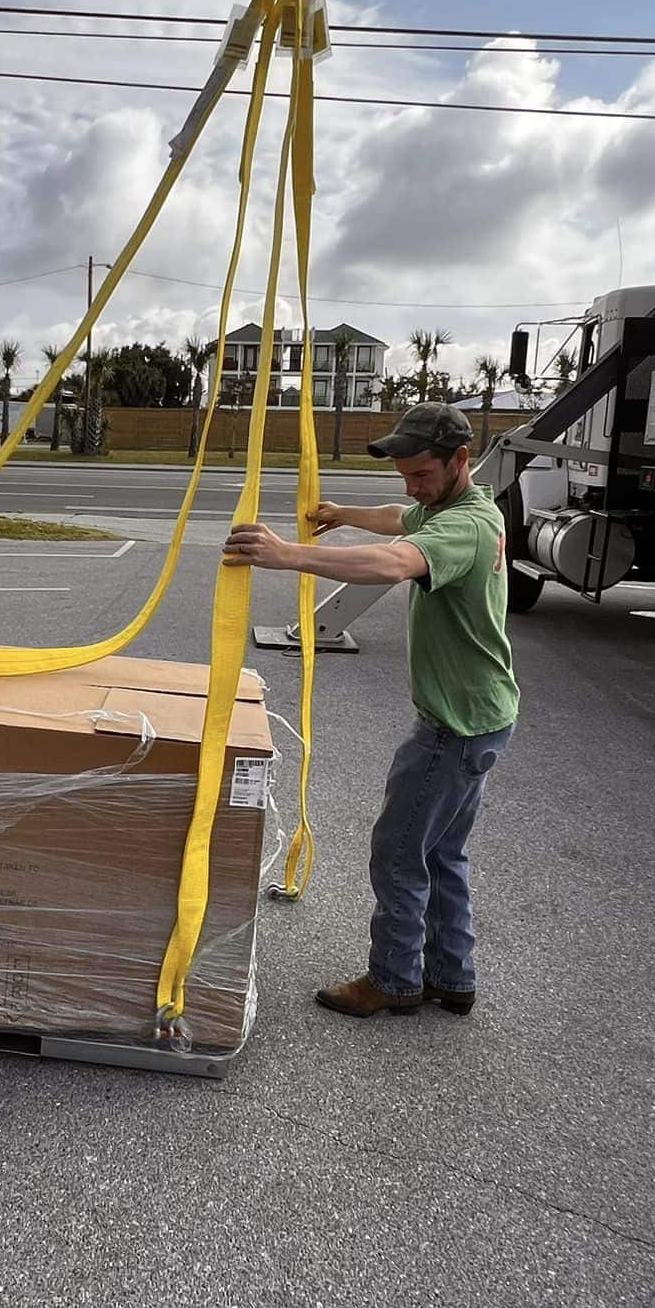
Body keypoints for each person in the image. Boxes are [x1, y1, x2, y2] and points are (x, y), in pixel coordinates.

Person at [223, 402, 520, 1019]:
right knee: (441, 854)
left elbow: (394, 561)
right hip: (484, 714)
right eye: (405, 475)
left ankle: (394, 980)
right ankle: (451, 975)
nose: (411, 487)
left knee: (398, 852)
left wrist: (287, 556)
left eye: (421, 474)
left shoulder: (461, 527)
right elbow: (398, 520)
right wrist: (342, 514)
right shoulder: (457, 508)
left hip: (454, 726)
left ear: (461, 460)